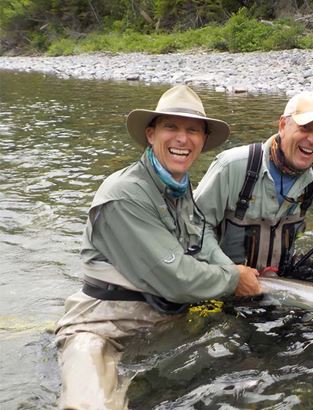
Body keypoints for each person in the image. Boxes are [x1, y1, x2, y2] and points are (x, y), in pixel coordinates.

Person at [55, 85, 261, 409]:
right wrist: (233, 279)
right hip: (102, 330)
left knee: (247, 362)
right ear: (150, 134)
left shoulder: (178, 186)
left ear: (203, 140)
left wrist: (227, 267)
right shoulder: (123, 194)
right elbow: (177, 278)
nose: (183, 139)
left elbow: (203, 236)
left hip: (159, 323)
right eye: (171, 127)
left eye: (193, 130)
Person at [194, 91, 313, 289]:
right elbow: (194, 227)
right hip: (223, 281)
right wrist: (230, 272)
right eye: (305, 128)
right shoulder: (232, 165)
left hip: (282, 281)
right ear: (282, 125)